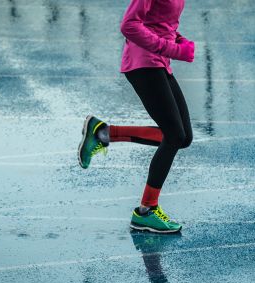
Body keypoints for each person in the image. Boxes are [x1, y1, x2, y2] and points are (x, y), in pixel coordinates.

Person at [78, 0, 194, 233]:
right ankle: (146, 211)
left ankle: (103, 133)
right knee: (174, 136)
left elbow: (159, 21)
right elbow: (129, 25)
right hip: (143, 63)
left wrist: (178, 40)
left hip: (159, 62)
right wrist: (172, 48)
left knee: (183, 137)